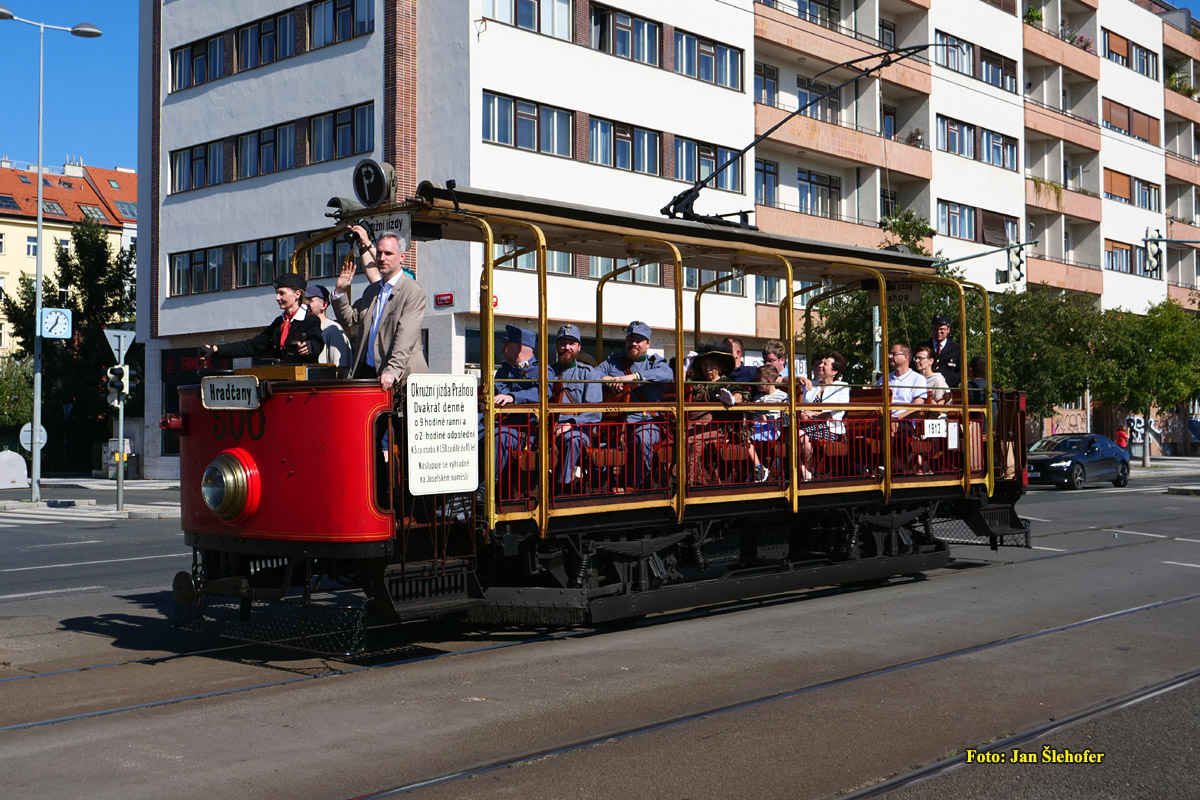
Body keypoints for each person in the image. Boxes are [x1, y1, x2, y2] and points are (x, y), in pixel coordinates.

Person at [332, 231, 429, 391]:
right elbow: (348, 319)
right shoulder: (371, 291)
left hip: (400, 379)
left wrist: (392, 370)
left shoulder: (412, 291)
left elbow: (405, 336)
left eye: (388, 253)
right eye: (379, 253)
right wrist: (340, 291)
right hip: (368, 374)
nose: (382, 258)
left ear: (402, 257)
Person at [596, 321, 674, 489]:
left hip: (645, 420)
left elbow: (667, 374)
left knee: (642, 440)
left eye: (639, 340)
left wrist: (634, 376)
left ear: (648, 343)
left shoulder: (655, 363)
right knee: (595, 443)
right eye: (631, 339)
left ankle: (635, 484)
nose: (634, 344)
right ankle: (600, 486)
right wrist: (608, 379)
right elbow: (593, 373)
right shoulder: (614, 361)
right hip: (615, 421)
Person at [199, 272, 323, 364]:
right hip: (283, 381)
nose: (277, 298)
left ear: (297, 294)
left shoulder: (310, 320)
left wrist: (310, 346)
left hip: (303, 385)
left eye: (282, 293)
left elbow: (317, 341)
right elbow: (252, 346)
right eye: (277, 293)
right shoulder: (279, 323)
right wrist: (216, 348)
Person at [481, 325, 540, 478]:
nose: (502, 350)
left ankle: (486, 486)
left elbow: (541, 393)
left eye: (506, 346)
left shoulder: (540, 371)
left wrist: (513, 397)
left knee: (499, 437)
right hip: (496, 422)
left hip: (523, 430)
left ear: (519, 348)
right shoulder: (504, 371)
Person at [549, 324, 602, 492]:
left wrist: (570, 423)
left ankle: (563, 486)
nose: (566, 347)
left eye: (571, 344)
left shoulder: (588, 374)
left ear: (579, 347)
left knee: (573, 440)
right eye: (562, 343)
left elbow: (594, 412)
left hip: (579, 429)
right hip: (549, 428)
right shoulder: (548, 372)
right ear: (557, 346)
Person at [683, 345, 740, 485]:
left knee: (690, 440)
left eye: (712, 364)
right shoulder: (697, 384)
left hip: (714, 426)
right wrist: (685, 368)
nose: (708, 368)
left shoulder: (726, 383)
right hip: (690, 424)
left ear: (720, 367)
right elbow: (681, 387)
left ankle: (699, 481)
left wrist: (732, 400)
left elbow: (741, 394)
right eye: (705, 364)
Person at [796, 349, 850, 481]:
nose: (820, 365)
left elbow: (836, 412)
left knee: (800, 435)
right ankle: (807, 470)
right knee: (795, 437)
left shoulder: (842, 386)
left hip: (829, 428)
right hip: (807, 426)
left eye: (825, 364)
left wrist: (813, 413)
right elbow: (802, 405)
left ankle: (806, 470)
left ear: (834, 371)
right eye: (820, 363)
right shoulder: (812, 385)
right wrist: (803, 413)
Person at [744, 364, 788, 482]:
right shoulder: (757, 398)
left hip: (771, 429)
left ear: (768, 381)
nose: (756, 383)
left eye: (759, 380)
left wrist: (768, 418)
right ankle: (749, 469)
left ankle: (759, 468)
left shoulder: (782, 396)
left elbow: (786, 419)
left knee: (744, 436)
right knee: (740, 434)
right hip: (756, 427)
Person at [306, 284, 352, 369]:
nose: (305, 304)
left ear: (324, 305)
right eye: (303, 301)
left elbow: (339, 368)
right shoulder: (304, 327)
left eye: (310, 300)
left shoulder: (333, 329)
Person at [880, 343, 927, 417]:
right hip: (883, 420)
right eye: (890, 354)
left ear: (905, 357)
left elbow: (917, 407)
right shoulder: (884, 378)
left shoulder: (918, 379)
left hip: (905, 421)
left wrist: (896, 418)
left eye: (894, 354)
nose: (890, 356)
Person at [919, 314, 962, 388]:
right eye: (935, 329)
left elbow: (962, 372)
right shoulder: (922, 347)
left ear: (948, 330)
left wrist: (943, 383)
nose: (938, 332)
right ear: (931, 329)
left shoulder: (957, 348)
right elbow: (914, 367)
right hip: (925, 388)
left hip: (949, 389)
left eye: (942, 329)